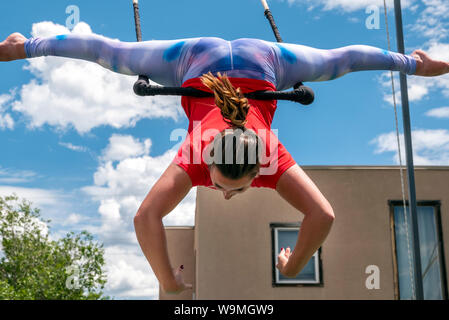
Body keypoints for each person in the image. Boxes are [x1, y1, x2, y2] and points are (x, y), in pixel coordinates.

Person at [2, 32, 448, 295]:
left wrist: (171, 284)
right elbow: (144, 218)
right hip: (204, 60)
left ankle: (26, 45)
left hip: (254, 60)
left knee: (111, 53)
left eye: (220, 189)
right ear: (259, 171)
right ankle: (416, 62)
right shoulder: (206, 155)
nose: (224, 192)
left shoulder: (240, 154)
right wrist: (289, 266)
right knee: (114, 55)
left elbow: (148, 217)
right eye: (223, 186)